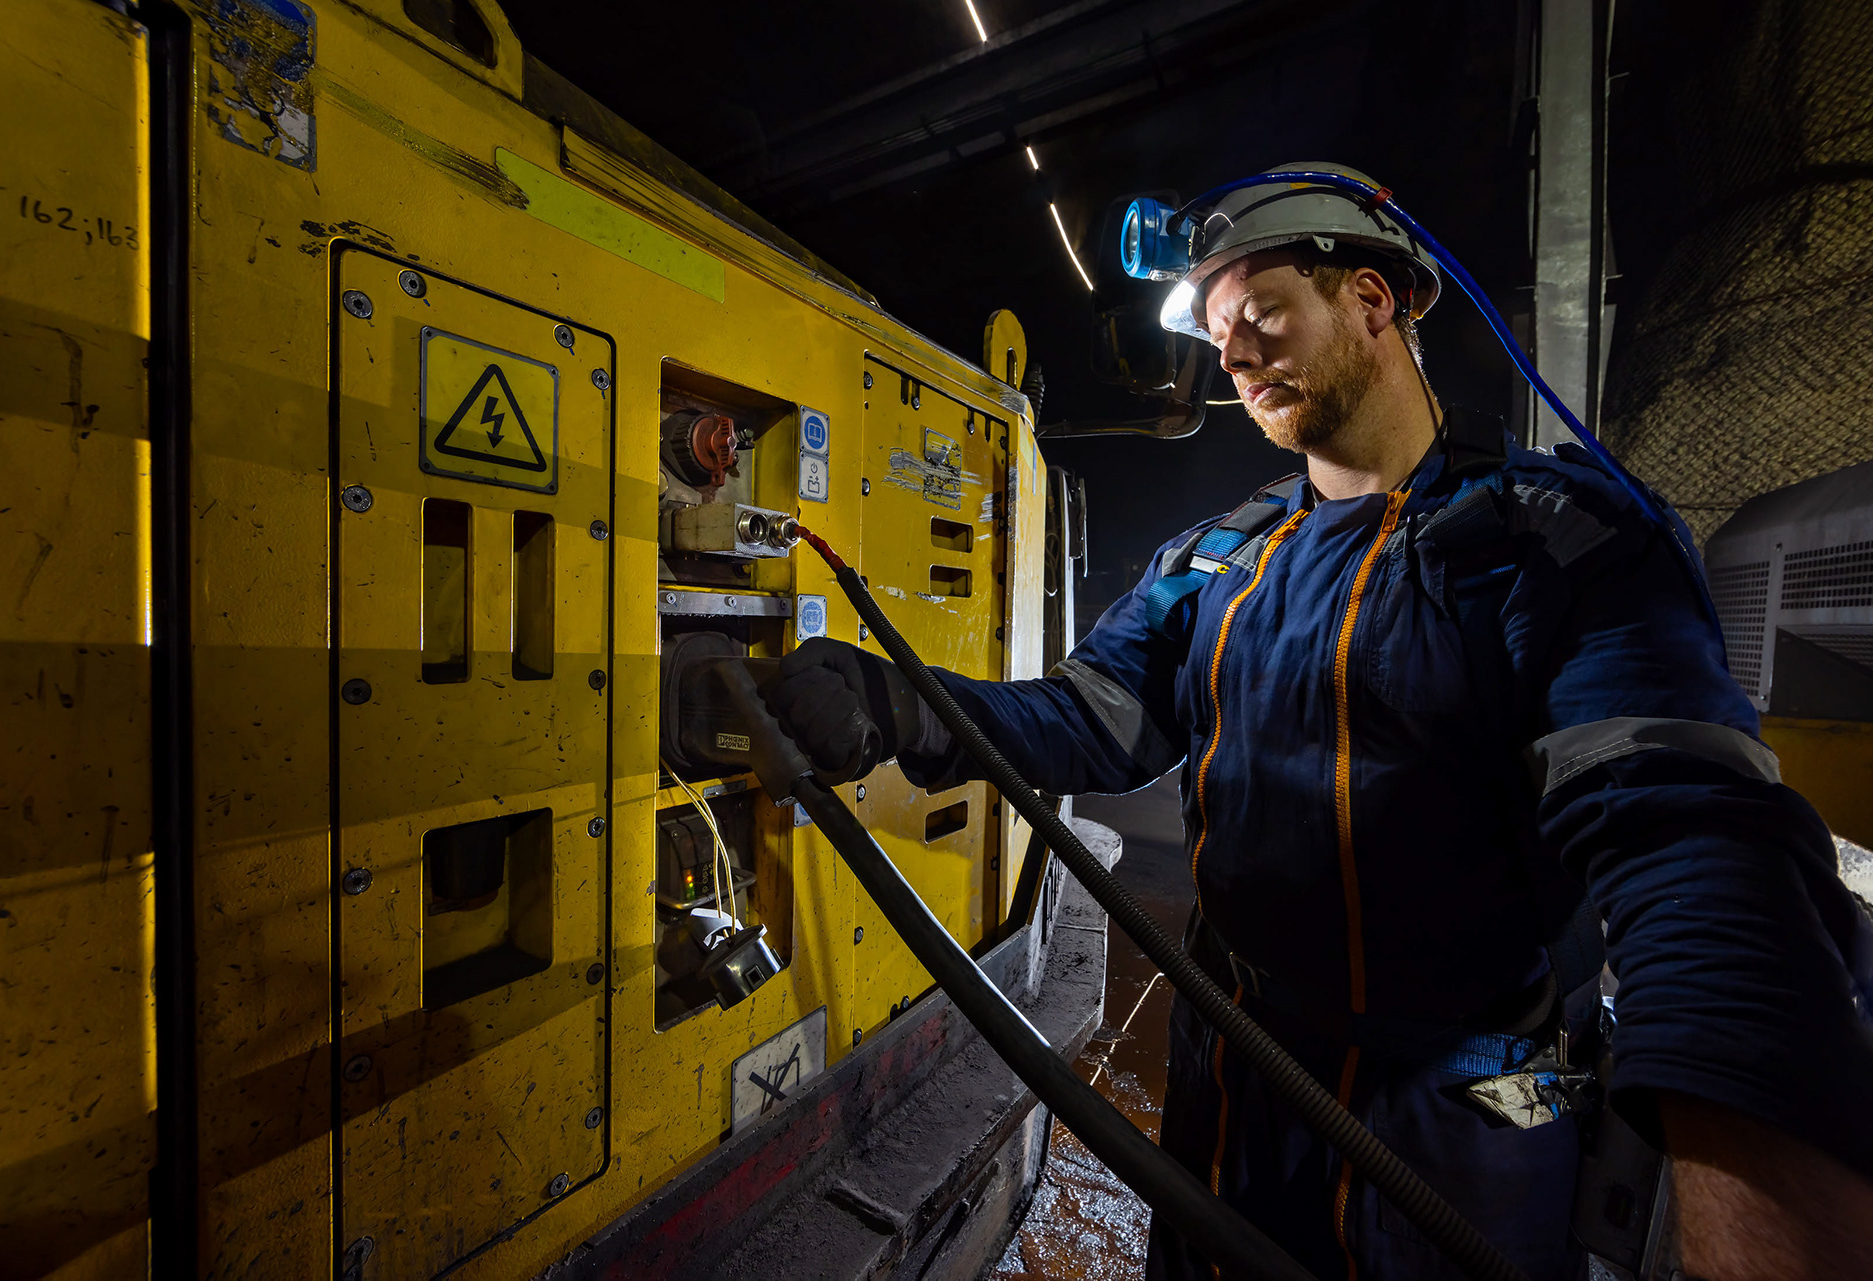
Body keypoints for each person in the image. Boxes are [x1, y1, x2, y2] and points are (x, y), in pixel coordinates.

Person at [763, 166, 1873, 1280]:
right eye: (1216, 332)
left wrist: (1762, 1173)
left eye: (1258, 313)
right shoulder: (1216, 562)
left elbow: (1691, 845)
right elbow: (1088, 720)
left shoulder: (1559, 541)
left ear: (1373, 303)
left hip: (1465, 1121)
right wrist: (892, 699)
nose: (1233, 352)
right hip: (1234, 1080)